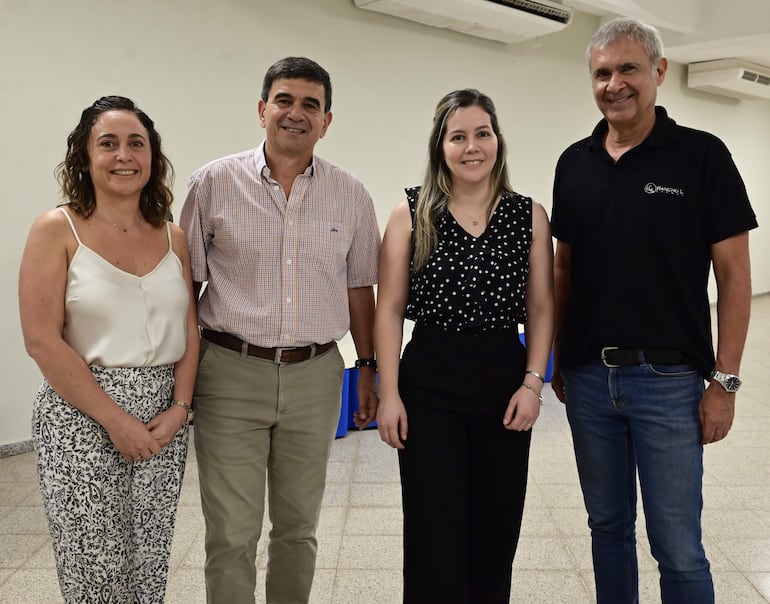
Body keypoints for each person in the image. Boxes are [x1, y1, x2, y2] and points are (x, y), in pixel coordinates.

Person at [550, 17, 758, 604]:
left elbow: (735, 279)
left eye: (628, 69)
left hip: (670, 382)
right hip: (589, 380)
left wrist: (725, 380)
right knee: (607, 530)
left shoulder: (701, 157)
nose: (614, 83)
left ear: (658, 72)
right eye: (601, 72)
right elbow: (563, 268)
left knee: (677, 545)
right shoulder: (575, 162)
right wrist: (559, 356)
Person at [179, 56, 381, 603]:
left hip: (316, 374)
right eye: (285, 101)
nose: (297, 113)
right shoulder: (213, 184)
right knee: (231, 534)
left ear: (327, 120)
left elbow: (361, 289)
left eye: (310, 105)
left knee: (298, 529)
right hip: (228, 374)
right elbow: (183, 292)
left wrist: (369, 368)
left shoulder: (351, 195)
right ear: (263, 109)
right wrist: (182, 386)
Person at [375, 88, 554, 604]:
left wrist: (533, 383)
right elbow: (388, 309)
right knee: (434, 529)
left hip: (504, 377)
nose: (471, 146)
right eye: (458, 136)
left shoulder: (529, 215)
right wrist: (390, 394)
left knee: (496, 526)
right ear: (441, 145)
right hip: (430, 379)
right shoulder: (411, 212)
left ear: (497, 140)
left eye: (482, 133)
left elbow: (542, 309)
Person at [18, 95, 199, 603]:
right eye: (108, 143)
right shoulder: (57, 228)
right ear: (83, 156)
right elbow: (41, 339)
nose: (124, 155)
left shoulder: (173, 237)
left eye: (136, 144)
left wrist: (180, 408)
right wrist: (115, 421)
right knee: (95, 568)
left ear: (152, 156)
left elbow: (190, 326)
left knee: (148, 563)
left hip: (162, 418)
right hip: (82, 416)